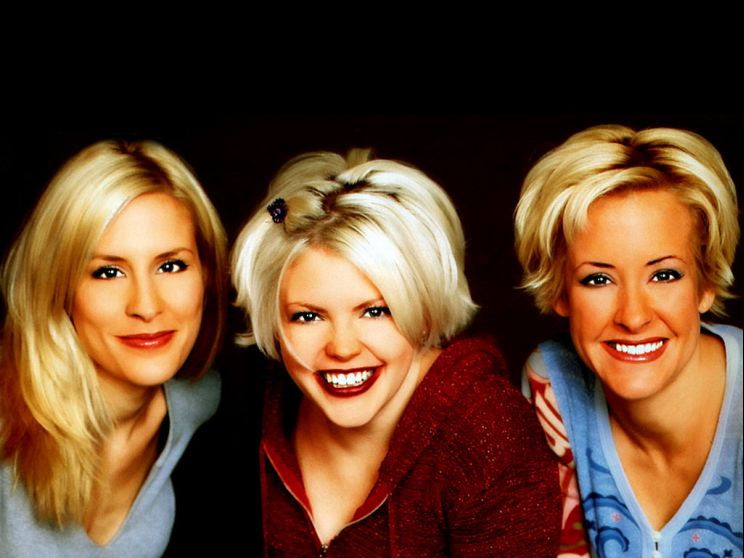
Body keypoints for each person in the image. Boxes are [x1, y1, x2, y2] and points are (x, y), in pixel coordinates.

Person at [231, 148, 561, 556]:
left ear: (423, 311)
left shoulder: (487, 434)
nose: (343, 347)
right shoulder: (251, 401)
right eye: (308, 317)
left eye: (375, 311)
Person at [514, 124, 742, 558]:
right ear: (561, 291)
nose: (633, 317)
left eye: (664, 275)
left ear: (707, 282)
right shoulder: (554, 387)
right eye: (598, 279)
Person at [0, 139, 228, 557]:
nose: (146, 306)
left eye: (171, 265)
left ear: (207, 275)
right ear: (58, 288)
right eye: (107, 272)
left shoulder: (199, 399)